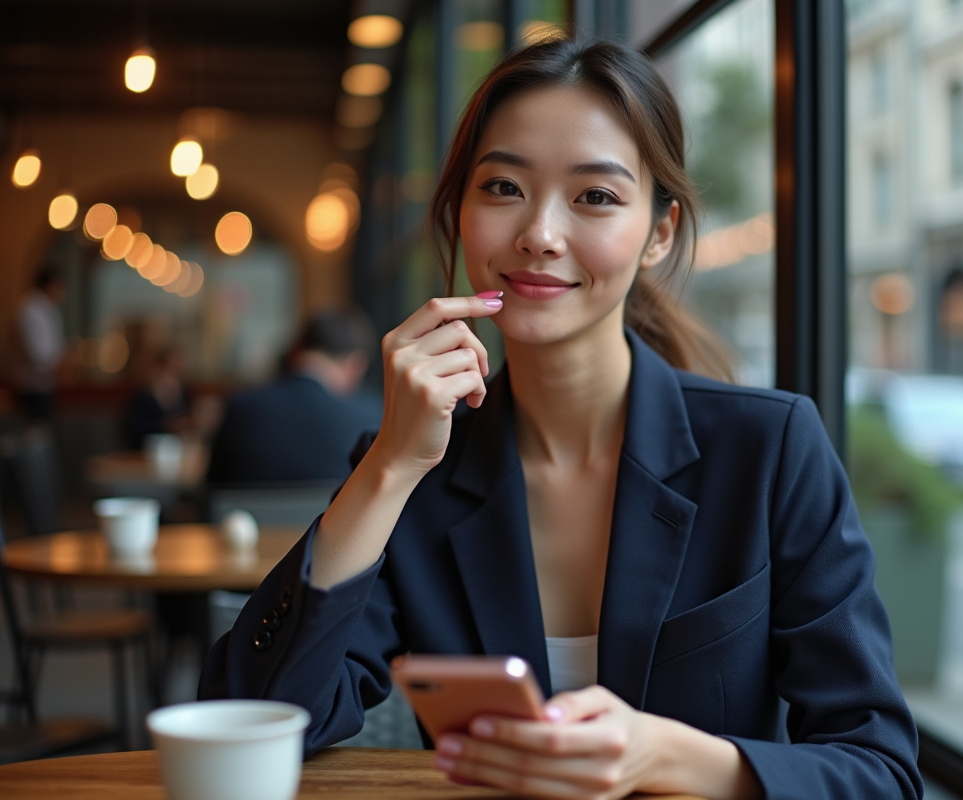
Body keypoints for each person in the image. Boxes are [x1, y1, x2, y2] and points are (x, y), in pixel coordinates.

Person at [200, 38, 921, 800]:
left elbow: (879, 771)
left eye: (596, 196)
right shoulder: (420, 469)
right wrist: (388, 468)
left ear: (660, 233)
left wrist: (663, 757)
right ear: (459, 214)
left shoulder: (770, 450)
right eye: (503, 186)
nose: (539, 232)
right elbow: (253, 719)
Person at [205, 309, 382, 484]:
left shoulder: (241, 407)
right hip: (338, 512)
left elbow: (213, 488)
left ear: (297, 350)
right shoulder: (371, 416)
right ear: (356, 364)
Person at [13, 264, 67, 421]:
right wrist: (64, 358)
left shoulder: (48, 310)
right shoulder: (31, 310)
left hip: (46, 386)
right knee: (37, 437)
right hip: (33, 388)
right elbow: (38, 357)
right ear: (51, 285)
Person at [124, 346, 193, 449]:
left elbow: (188, 421)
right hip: (145, 451)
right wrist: (166, 425)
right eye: (171, 368)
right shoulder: (145, 395)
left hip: (177, 451)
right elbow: (135, 429)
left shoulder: (184, 393)